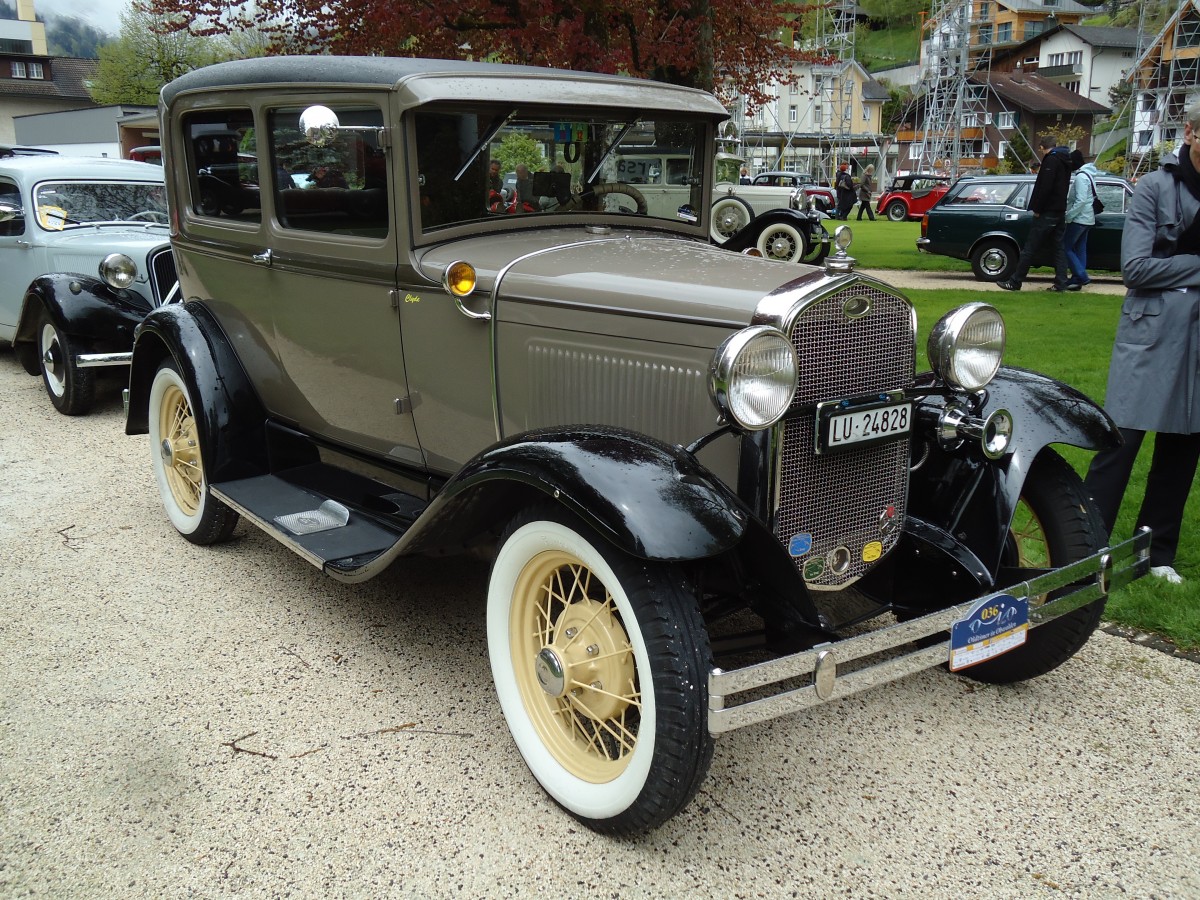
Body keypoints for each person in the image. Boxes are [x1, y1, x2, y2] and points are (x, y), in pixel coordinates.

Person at [1083, 100, 1200, 584]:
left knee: (1184, 448)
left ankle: (1156, 555)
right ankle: (1082, 547)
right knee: (1121, 441)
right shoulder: (1154, 187)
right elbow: (1135, 270)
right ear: (1190, 132)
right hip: (1151, 333)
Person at [997, 135, 1072, 291]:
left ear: (1042, 147)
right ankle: (1061, 282)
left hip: (1047, 211)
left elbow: (1045, 187)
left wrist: (1037, 208)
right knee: (1059, 248)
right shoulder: (1065, 160)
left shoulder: (1051, 160)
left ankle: (1015, 281)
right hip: (1059, 210)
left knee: (1030, 248)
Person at [1063, 150, 1102, 290]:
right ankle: (1077, 279)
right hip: (1088, 218)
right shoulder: (1090, 175)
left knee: (1066, 247)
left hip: (1079, 218)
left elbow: (1080, 200)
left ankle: (1082, 275)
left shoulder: (1080, 177)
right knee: (1080, 248)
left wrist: (1069, 216)